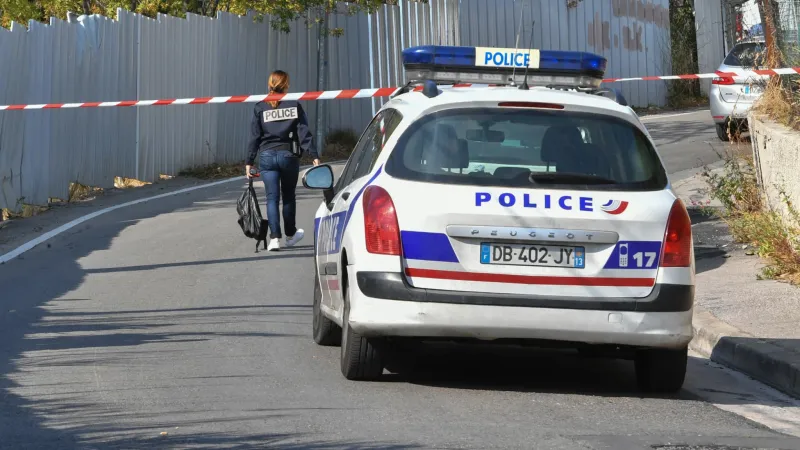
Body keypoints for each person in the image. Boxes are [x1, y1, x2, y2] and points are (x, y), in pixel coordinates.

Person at [246, 70, 320, 252]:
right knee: (288, 197)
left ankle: (274, 239)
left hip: (266, 157)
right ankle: (291, 234)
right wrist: (314, 155)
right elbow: (304, 132)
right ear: (286, 85)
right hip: (288, 156)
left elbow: (255, 136)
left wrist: (249, 161)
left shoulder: (260, 106)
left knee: (272, 198)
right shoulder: (294, 104)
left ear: (269, 84)